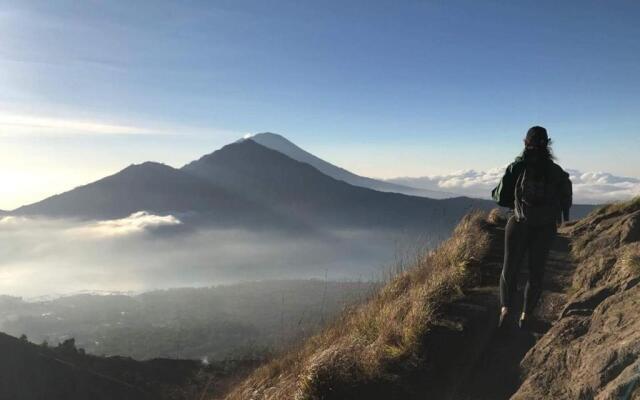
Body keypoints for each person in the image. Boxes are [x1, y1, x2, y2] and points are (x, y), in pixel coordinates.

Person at [491, 126, 572, 329]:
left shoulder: (518, 167)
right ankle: (526, 316)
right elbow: (565, 199)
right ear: (548, 144)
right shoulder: (556, 171)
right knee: (536, 272)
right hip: (544, 228)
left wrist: (520, 160)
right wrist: (561, 217)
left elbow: (499, 197)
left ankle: (506, 310)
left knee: (509, 269)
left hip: (519, 224)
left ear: (525, 143)